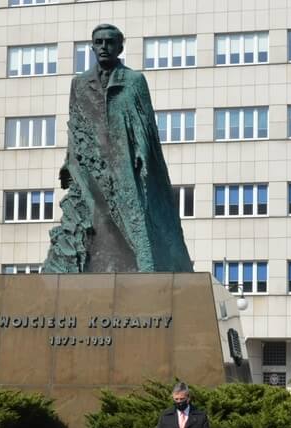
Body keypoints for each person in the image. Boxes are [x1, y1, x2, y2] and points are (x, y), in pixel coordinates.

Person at [41, 23, 193, 273]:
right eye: (99, 42)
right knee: (90, 219)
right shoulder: (79, 84)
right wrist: (69, 160)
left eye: (109, 42)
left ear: (120, 47)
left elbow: (145, 125)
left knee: (134, 221)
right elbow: (75, 122)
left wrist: (142, 155)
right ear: (92, 47)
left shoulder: (133, 81)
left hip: (124, 165)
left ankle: (145, 268)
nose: (104, 47)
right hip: (90, 163)